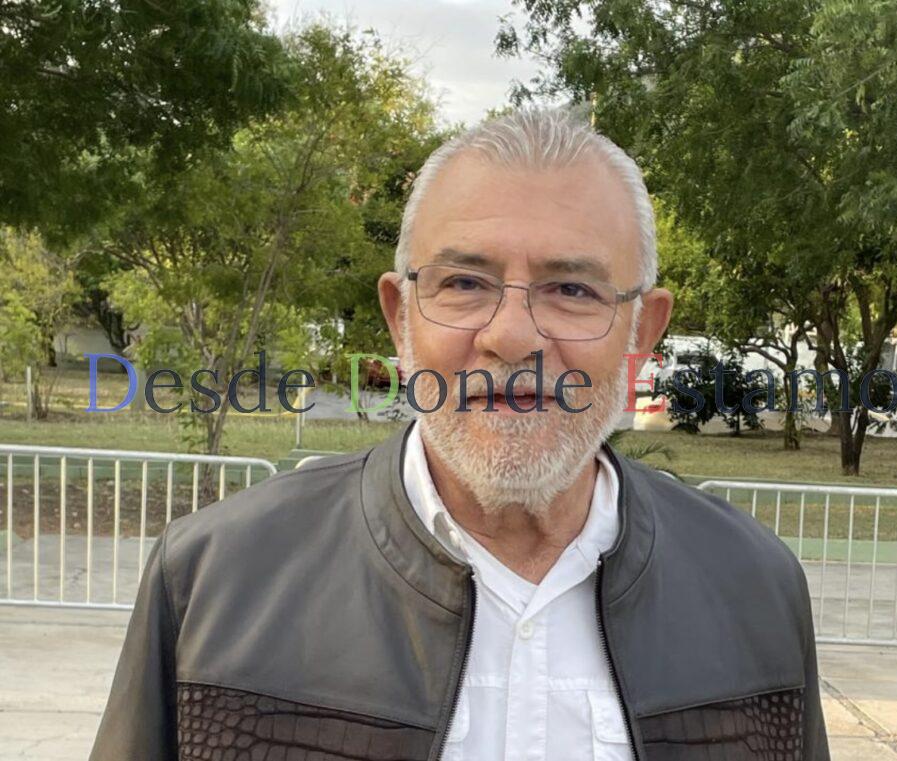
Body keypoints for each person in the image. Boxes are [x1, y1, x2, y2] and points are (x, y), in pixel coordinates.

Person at [90, 106, 830, 760]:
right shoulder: (212, 582)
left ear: (641, 333)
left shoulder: (755, 590)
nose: (511, 337)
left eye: (572, 289)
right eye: (465, 283)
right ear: (400, 317)